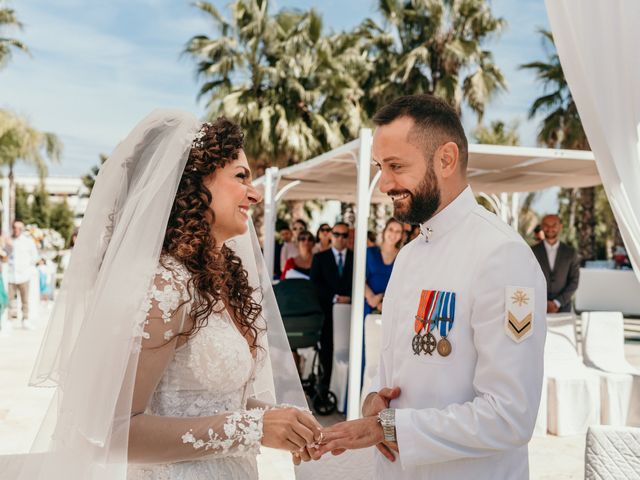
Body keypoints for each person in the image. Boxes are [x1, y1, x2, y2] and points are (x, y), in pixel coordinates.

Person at [1, 111, 320, 480]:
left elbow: (208, 399)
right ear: (192, 186)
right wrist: (251, 428)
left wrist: (277, 420)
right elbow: (114, 431)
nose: (255, 192)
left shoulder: (217, 279)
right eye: (240, 176)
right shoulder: (165, 286)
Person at [312, 95, 546, 480]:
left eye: (396, 166)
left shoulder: (501, 256)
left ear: (447, 159)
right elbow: (393, 364)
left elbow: (510, 415)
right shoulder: (408, 255)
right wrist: (372, 397)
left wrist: (390, 429)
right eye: (379, 167)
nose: (384, 183)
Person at [310, 222, 353, 387]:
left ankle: (344, 388)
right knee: (327, 350)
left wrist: (349, 297)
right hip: (327, 312)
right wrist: (334, 298)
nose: (340, 238)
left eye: (344, 235)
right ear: (330, 235)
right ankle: (325, 387)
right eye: (336, 234)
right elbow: (314, 285)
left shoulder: (355, 257)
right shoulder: (320, 258)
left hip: (350, 313)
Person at [532, 214, 580, 313]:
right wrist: (543, 302)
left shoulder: (571, 252)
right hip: (537, 308)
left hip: (563, 308)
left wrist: (557, 302)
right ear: (541, 227)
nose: (550, 228)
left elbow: (574, 281)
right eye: (546, 225)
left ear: (560, 227)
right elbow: (528, 279)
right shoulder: (532, 252)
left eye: (554, 225)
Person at [364, 218, 403, 316]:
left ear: (401, 235)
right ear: (384, 231)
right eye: (391, 229)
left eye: (398, 231)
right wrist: (371, 297)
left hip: (392, 307)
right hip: (369, 304)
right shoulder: (370, 252)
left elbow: (403, 283)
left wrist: (384, 298)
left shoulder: (402, 256)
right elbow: (359, 279)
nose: (393, 234)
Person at [7, 220, 39, 330]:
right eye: (15, 227)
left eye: (19, 228)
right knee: (9, 299)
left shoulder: (28, 241)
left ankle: (25, 319)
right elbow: (4, 255)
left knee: (25, 300)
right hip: (11, 275)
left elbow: (34, 257)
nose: (17, 230)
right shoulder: (8, 240)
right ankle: (9, 320)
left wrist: (27, 268)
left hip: (24, 275)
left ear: (22, 229)